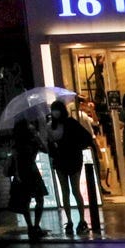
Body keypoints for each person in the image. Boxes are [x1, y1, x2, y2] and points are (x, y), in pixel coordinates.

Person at [44, 100, 96, 238]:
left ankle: (80, 219)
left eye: (56, 109)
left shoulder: (70, 123)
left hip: (70, 160)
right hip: (64, 160)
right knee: (67, 191)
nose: (55, 112)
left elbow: (86, 137)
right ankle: (71, 220)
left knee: (73, 190)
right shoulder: (51, 126)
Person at [9, 116, 49, 239]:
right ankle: (36, 226)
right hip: (31, 170)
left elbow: (15, 158)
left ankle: (31, 227)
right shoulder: (33, 139)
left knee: (25, 201)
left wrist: (16, 174)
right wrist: (37, 136)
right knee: (39, 199)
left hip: (22, 172)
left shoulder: (16, 142)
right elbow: (45, 149)